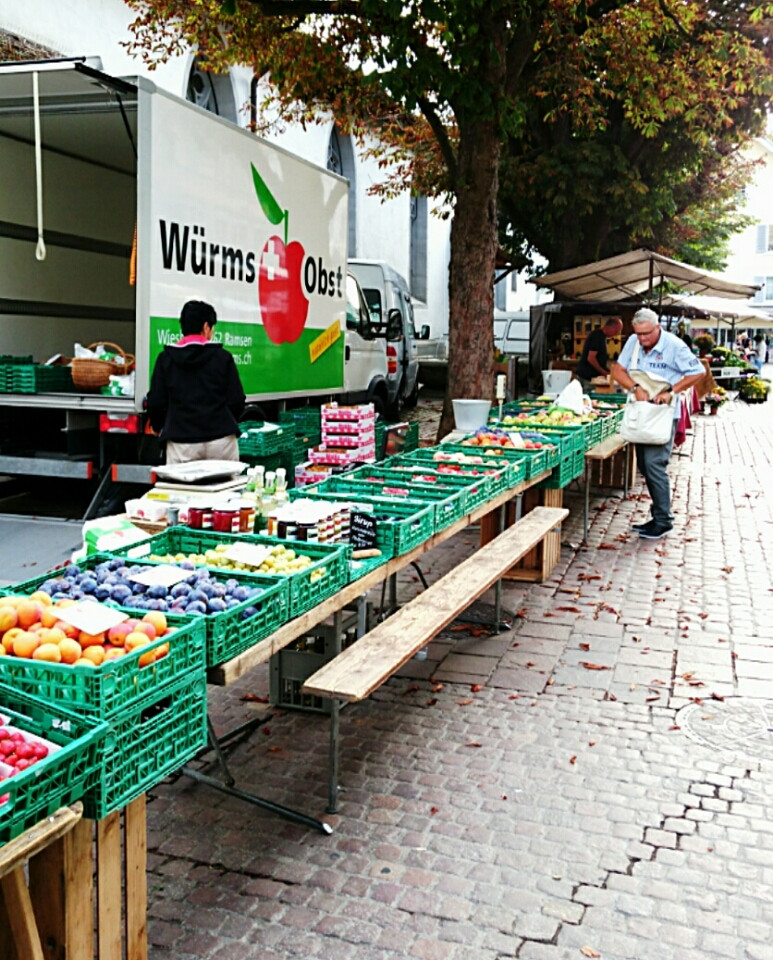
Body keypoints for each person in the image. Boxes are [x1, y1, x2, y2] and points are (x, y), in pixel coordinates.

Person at [612, 307, 704, 540]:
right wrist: (635, 387)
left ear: (657, 328)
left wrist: (671, 391)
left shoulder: (674, 346)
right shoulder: (633, 342)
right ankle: (658, 516)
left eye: (646, 334)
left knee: (655, 465)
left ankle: (664, 520)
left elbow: (698, 372)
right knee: (645, 465)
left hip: (663, 415)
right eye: (638, 334)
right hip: (642, 413)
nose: (642, 339)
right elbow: (618, 370)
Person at [147, 300, 246, 464]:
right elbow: (236, 400)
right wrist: (223, 421)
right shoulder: (223, 358)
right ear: (206, 327)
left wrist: (158, 426)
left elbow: (156, 402)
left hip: (181, 443)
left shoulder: (166, 360)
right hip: (221, 441)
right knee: (225, 489)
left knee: (182, 490)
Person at [576, 317, 623, 391]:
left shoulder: (602, 337)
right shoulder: (597, 336)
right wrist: (603, 372)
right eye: (616, 331)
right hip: (588, 377)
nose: (616, 334)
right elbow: (591, 358)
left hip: (591, 377)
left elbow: (599, 358)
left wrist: (608, 370)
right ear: (610, 327)